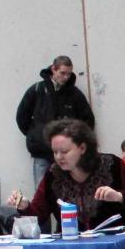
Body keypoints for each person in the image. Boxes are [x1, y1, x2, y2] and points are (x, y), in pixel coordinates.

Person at [7, 119, 125, 231]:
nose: (59, 157)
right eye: (55, 152)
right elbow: (39, 215)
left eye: (64, 151)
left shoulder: (111, 164)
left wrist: (119, 196)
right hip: (72, 248)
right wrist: (25, 206)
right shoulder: (53, 174)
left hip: (116, 244)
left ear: (82, 148)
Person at [16, 55, 95, 190]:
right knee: (42, 190)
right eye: (63, 73)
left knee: (69, 189)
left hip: (68, 152)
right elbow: (22, 116)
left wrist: (76, 140)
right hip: (41, 151)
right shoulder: (37, 90)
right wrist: (35, 134)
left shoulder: (74, 94)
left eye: (69, 74)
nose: (66, 77)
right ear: (53, 69)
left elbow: (87, 120)